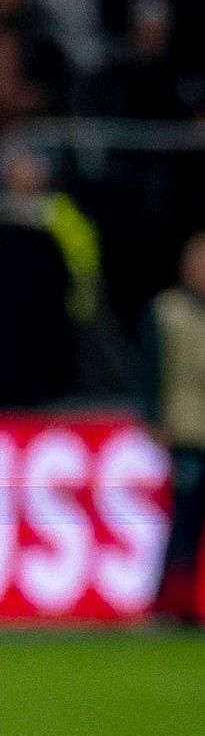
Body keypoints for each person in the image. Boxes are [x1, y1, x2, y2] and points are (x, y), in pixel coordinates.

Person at [154, 234, 205, 626]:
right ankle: (173, 605)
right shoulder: (166, 311)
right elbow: (150, 371)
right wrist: (155, 418)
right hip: (187, 429)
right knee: (183, 525)